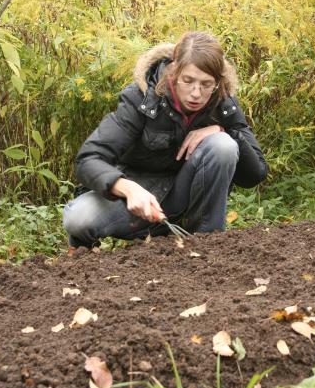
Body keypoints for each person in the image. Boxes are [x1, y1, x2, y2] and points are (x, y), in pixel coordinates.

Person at [63, 31, 268, 248]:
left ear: (218, 82)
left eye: (206, 84)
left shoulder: (223, 103)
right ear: (173, 72)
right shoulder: (140, 99)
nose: (196, 93)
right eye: (188, 81)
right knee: (78, 218)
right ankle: (83, 258)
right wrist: (126, 188)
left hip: (182, 196)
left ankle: (207, 245)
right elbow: (88, 159)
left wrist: (222, 129)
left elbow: (255, 174)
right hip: (138, 196)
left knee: (223, 145)